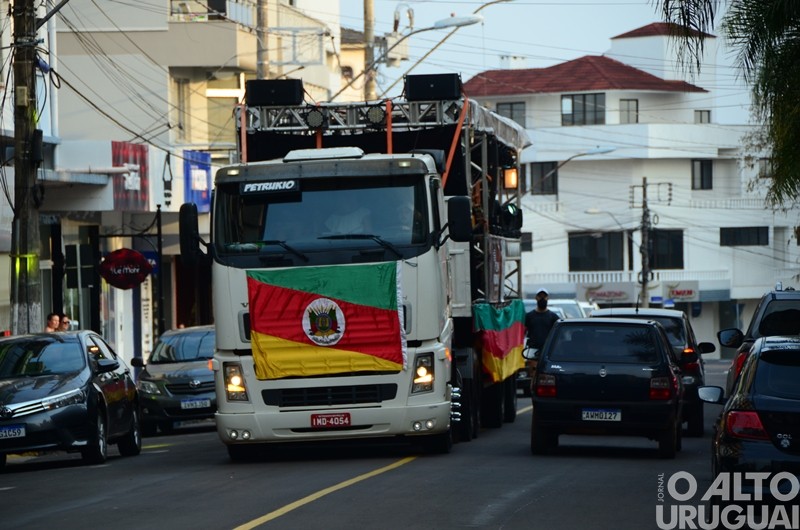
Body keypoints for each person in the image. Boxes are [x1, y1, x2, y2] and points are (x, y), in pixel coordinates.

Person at [524, 288, 560, 353]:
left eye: (544, 296)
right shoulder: (529, 316)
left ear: (547, 298)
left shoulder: (554, 317)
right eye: (540, 296)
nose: (542, 299)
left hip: (548, 350)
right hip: (532, 349)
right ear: (536, 298)